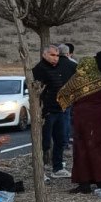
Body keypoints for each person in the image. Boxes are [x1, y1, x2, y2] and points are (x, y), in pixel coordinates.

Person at [57, 57, 101, 194]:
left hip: (83, 121)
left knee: (83, 149)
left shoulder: (75, 81)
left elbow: (62, 96)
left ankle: (84, 183)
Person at [32, 46, 69, 177]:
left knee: (61, 140)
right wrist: (42, 110)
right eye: (52, 55)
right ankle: (40, 171)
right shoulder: (39, 69)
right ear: (45, 55)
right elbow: (36, 91)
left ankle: (57, 168)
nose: (55, 58)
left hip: (59, 110)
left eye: (57, 55)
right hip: (47, 112)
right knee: (45, 143)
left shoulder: (58, 68)